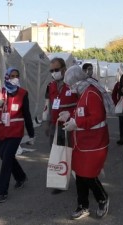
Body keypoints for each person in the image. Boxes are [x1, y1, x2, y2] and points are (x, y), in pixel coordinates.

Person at [59, 65, 109, 220]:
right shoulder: (84, 92)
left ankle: (102, 199)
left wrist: (77, 123)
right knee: (80, 174)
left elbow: (97, 117)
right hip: (83, 142)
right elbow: (82, 111)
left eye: (70, 85)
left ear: (76, 81)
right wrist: (70, 114)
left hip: (94, 143)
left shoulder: (91, 93)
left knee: (88, 175)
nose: (70, 88)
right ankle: (83, 205)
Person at [0, 67, 35, 203]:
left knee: (6, 160)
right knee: (3, 156)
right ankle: (21, 177)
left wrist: (31, 134)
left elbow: (27, 114)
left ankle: (2, 192)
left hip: (16, 131)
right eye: (12, 76)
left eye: (17, 76)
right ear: (6, 77)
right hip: (2, 129)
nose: (15, 78)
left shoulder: (23, 93)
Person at [45, 57, 78, 194]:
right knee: (58, 153)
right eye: (51, 70)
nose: (54, 72)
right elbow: (48, 106)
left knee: (74, 152)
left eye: (56, 70)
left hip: (71, 124)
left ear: (64, 69)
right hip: (55, 125)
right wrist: (47, 124)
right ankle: (59, 182)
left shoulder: (73, 84)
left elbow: (81, 103)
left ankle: (82, 179)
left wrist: (73, 116)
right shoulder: (50, 86)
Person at [111, 79, 123, 145]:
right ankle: (122, 138)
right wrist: (116, 103)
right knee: (121, 122)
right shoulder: (118, 84)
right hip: (121, 106)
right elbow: (113, 94)